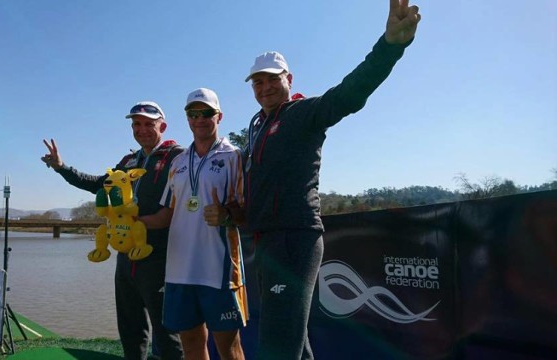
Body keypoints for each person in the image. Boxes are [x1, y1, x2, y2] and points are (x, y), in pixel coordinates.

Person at [242, 1, 421, 359]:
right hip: (265, 241)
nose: (264, 87)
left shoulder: (303, 112)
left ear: (288, 80)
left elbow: (349, 94)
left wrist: (390, 47)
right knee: (293, 339)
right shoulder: (256, 126)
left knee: (278, 345)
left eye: (272, 79)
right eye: (258, 82)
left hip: (294, 239)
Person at [40, 101, 184, 360]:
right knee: (130, 326)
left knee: (167, 330)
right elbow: (98, 184)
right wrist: (62, 167)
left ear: (163, 126)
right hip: (125, 256)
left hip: (159, 256)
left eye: (148, 124)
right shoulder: (129, 160)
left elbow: (178, 207)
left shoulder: (177, 156)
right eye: (136, 125)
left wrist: (141, 220)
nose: (142, 130)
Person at [142, 88, 248, 360]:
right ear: (187, 118)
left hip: (218, 271)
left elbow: (248, 212)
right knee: (191, 346)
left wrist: (226, 214)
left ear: (219, 116)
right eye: (193, 113)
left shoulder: (233, 156)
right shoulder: (177, 162)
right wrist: (127, 224)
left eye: (206, 113)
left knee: (229, 349)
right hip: (179, 272)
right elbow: (166, 215)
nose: (199, 119)